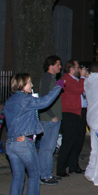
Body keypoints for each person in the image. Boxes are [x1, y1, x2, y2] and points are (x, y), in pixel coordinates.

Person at [2, 73, 62, 195]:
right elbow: (45, 102)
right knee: (35, 174)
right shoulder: (25, 100)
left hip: (10, 143)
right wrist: (58, 87)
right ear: (22, 85)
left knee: (18, 177)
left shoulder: (9, 101)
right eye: (29, 83)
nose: (32, 86)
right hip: (23, 142)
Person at [56, 60, 87, 177]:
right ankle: (61, 168)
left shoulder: (76, 80)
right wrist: (83, 77)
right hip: (70, 113)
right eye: (78, 68)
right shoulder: (65, 80)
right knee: (68, 142)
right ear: (72, 69)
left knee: (78, 141)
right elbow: (79, 89)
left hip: (79, 112)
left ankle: (73, 166)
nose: (80, 70)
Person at [37, 55, 63, 185]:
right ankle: (44, 175)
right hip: (49, 119)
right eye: (58, 64)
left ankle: (47, 173)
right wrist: (52, 114)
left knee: (50, 147)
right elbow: (43, 98)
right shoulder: (47, 78)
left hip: (52, 118)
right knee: (47, 148)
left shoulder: (52, 78)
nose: (60, 67)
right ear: (51, 65)